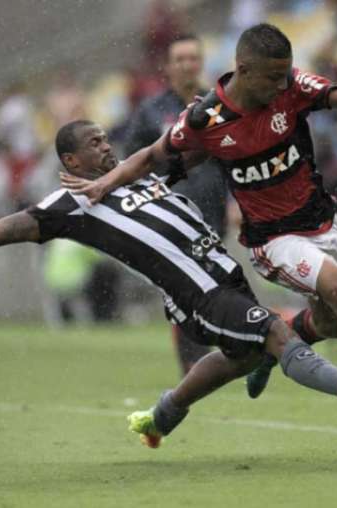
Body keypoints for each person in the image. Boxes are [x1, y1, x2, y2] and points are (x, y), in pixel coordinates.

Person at [0, 120, 337, 448]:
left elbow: (203, 145)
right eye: (94, 143)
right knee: (277, 337)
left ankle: (159, 417)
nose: (106, 146)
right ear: (71, 160)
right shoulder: (65, 205)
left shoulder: (136, 173)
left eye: (104, 137)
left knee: (241, 358)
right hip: (196, 294)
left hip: (224, 273)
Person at [60, 24, 337, 430]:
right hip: (272, 239)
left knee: (332, 320)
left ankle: (266, 353)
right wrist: (104, 183)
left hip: (320, 223)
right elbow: (151, 155)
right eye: (272, 77)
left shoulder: (292, 87)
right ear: (243, 69)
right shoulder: (205, 117)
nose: (281, 84)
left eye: (285, 74)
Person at [123, 33, 228, 376]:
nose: (186, 65)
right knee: (182, 286)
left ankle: (214, 357)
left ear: (202, 63)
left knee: (214, 284)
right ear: (168, 67)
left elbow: (234, 158)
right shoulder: (151, 111)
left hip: (212, 210)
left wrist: (238, 203)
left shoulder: (219, 106)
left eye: (192, 58)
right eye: (179, 59)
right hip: (170, 212)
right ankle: (193, 363)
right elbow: (132, 159)